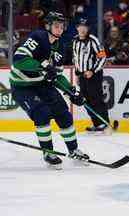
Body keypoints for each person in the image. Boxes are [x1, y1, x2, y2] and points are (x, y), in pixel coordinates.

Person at [10, 12, 89, 169]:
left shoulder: (61, 46)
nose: (59, 29)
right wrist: (43, 67)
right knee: (42, 113)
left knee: (63, 113)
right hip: (23, 86)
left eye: (62, 26)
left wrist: (71, 91)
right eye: (56, 25)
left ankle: (74, 150)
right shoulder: (38, 38)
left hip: (42, 85)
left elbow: (57, 75)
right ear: (47, 26)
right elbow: (19, 60)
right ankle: (48, 152)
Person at [72, 18, 111, 134]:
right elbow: (76, 58)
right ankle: (96, 123)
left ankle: (104, 123)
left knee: (96, 98)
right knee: (86, 100)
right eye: (80, 26)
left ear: (88, 28)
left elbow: (102, 57)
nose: (82, 29)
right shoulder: (74, 40)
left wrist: (92, 71)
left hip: (93, 75)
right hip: (83, 75)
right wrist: (78, 73)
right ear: (77, 28)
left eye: (85, 27)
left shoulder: (93, 40)